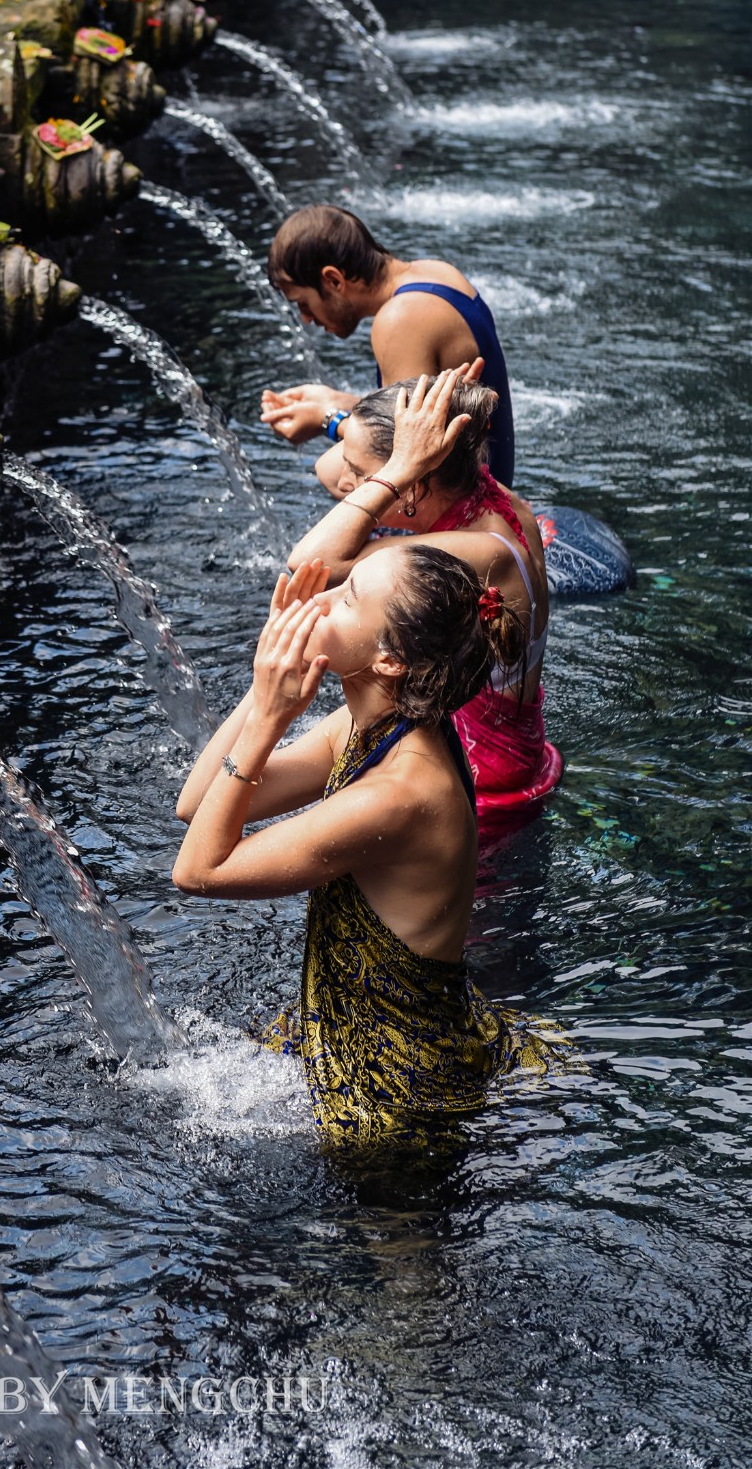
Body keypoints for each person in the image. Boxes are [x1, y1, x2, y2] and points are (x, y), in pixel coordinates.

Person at [172, 545, 566, 1153]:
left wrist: (272, 718)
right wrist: (266, 684)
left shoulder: (399, 794)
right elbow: (197, 804)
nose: (322, 600)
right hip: (352, 1031)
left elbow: (198, 869)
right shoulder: (365, 726)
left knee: (380, 1241)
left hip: (395, 1090)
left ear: (388, 660)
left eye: (348, 595)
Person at [283, 367, 560, 826]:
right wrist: (344, 422)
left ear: (410, 482)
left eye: (364, 476)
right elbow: (326, 468)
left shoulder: (478, 549)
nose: (350, 486)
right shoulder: (485, 495)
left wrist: (396, 467)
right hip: (517, 747)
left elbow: (310, 562)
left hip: (483, 782)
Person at [260, 204, 517, 487]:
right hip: (496, 475)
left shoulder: (399, 319)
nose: (306, 319)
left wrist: (326, 419)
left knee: (332, 470)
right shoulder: (435, 272)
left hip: (473, 500)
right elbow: (425, 410)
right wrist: (335, 400)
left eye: (303, 303)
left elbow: (403, 451)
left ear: (333, 280)